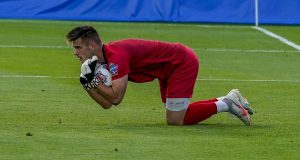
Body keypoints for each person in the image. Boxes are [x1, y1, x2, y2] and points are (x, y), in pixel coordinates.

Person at [66, 25, 254, 126]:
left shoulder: (117, 56)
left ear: (92, 46)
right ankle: (226, 99)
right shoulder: (99, 64)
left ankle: (226, 104)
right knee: (177, 114)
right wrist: (89, 85)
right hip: (166, 69)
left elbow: (116, 98)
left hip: (180, 62)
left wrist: (93, 82)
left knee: (175, 120)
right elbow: (106, 104)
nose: (75, 53)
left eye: (78, 47)